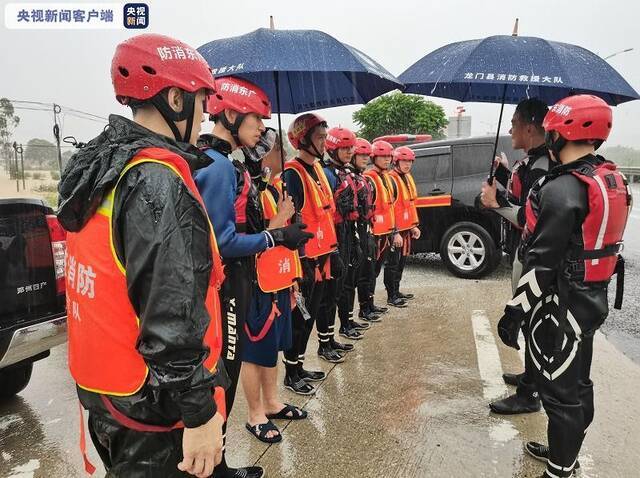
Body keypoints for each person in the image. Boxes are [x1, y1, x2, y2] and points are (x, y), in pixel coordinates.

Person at [58, 33, 226, 478]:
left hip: (107, 390)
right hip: (152, 403)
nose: (205, 114)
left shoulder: (103, 165)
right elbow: (170, 315)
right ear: (175, 98)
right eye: (200, 101)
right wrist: (199, 413)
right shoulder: (155, 181)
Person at [497, 95, 632, 478]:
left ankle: (559, 470)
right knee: (577, 383)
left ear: (561, 133)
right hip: (591, 298)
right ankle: (563, 454)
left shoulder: (562, 188)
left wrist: (514, 314)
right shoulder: (610, 178)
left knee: (560, 394)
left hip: (561, 304)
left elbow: (541, 262)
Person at [195, 77, 311, 476]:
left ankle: (221, 461)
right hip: (228, 284)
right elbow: (224, 242)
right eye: (256, 120)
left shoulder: (222, 161)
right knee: (227, 369)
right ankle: (219, 465)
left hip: (241, 279)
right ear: (229, 115)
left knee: (231, 366)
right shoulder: (219, 166)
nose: (263, 128)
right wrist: (276, 234)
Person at [480, 98, 552, 415]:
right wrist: (506, 174)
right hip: (528, 253)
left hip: (536, 259)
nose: (509, 129)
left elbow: (530, 217)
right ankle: (530, 378)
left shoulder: (542, 166)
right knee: (528, 322)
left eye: (513, 123)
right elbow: (526, 200)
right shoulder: (536, 162)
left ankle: (529, 395)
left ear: (528, 126)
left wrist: (496, 204)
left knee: (533, 322)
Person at [239, 128, 309, 444]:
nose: (283, 156)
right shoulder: (245, 189)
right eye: (277, 150)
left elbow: (285, 243)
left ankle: (272, 402)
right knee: (254, 352)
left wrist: (293, 280)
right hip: (256, 285)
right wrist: (282, 218)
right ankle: (255, 414)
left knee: (273, 348)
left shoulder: (270, 187)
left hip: (278, 280)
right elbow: (247, 242)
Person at [283, 113, 340, 394]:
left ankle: (300, 365)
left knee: (312, 315)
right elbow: (289, 219)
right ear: (303, 140)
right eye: (319, 137)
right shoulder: (292, 173)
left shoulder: (317, 169)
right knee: (300, 318)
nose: (325, 143)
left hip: (322, 256)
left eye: (325, 136)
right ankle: (291, 373)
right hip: (304, 260)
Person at [322, 126, 369, 344]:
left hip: (349, 231)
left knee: (345, 283)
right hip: (334, 235)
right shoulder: (327, 174)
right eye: (344, 148)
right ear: (332, 148)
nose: (350, 151)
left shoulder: (347, 173)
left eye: (351, 147)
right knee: (332, 291)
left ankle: (342, 326)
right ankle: (326, 340)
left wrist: (356, 239)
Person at [365, 141, 407, 309]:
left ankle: (372, 304)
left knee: (376, 270)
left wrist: (394, 230)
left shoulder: (387, 179)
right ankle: (367, 306)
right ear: (374, 157)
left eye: (389, 156)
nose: (387, 159)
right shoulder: (370, 179)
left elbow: (390, 208)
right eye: (382, 156)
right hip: (374, 234)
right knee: (370, 272)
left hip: (386, 233)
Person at [352, 138, 387, 323]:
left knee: (371, 270)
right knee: (363, 272)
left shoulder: (362, 178)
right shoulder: (356, 178)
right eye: (362, 155)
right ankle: (363, 309)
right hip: (357, 232)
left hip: (369, 230)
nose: (365, 158)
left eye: (367, 155)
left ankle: (369, 304)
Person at [385, 146, 421, 304]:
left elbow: (409, 205)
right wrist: (395, 232)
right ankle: (391, 296)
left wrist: (413, 225)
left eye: (410, 161)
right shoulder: (391, 179)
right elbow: (389, 208)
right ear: (396, 162)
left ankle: (396, 291)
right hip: (396, 230)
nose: (408, 164)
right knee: (392, 263)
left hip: (406, 229)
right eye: (404, 161)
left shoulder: (406, 177)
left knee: (401, 262)